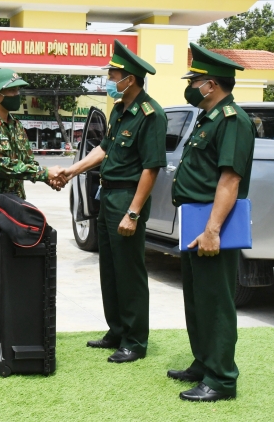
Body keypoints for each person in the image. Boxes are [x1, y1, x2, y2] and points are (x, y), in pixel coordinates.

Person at [62, 40, 166, 364]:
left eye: (113, 73)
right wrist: (72, 170)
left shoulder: (151, 114)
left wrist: (133, 213)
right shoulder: (120, 109)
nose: (109, 78)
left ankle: (135, 340)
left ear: (130, 78)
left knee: (129, 271)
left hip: (127, 197)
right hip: (107, 194)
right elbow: (103, 149)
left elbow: (151, 169)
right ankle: (117, 330)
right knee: (109, 268)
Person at [167, 44, 255, 402]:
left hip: (212, 223)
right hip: (195, 219)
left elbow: (229, 180)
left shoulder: (233, 120)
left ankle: (220, 379)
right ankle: (203, 362)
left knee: (216, 301)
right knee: (197, 298)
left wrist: (213, 230)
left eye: (195, 80)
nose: (190, 85)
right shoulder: (209, 117)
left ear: (212, 85)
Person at [0, 68, 66, 319]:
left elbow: (26, 164)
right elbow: (0, 165)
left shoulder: (16, 126)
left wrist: (49, 178)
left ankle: (6, 347)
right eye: (12, 90)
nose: (17, 94)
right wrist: (45, 175)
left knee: (9, 282)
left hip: (13, 216)